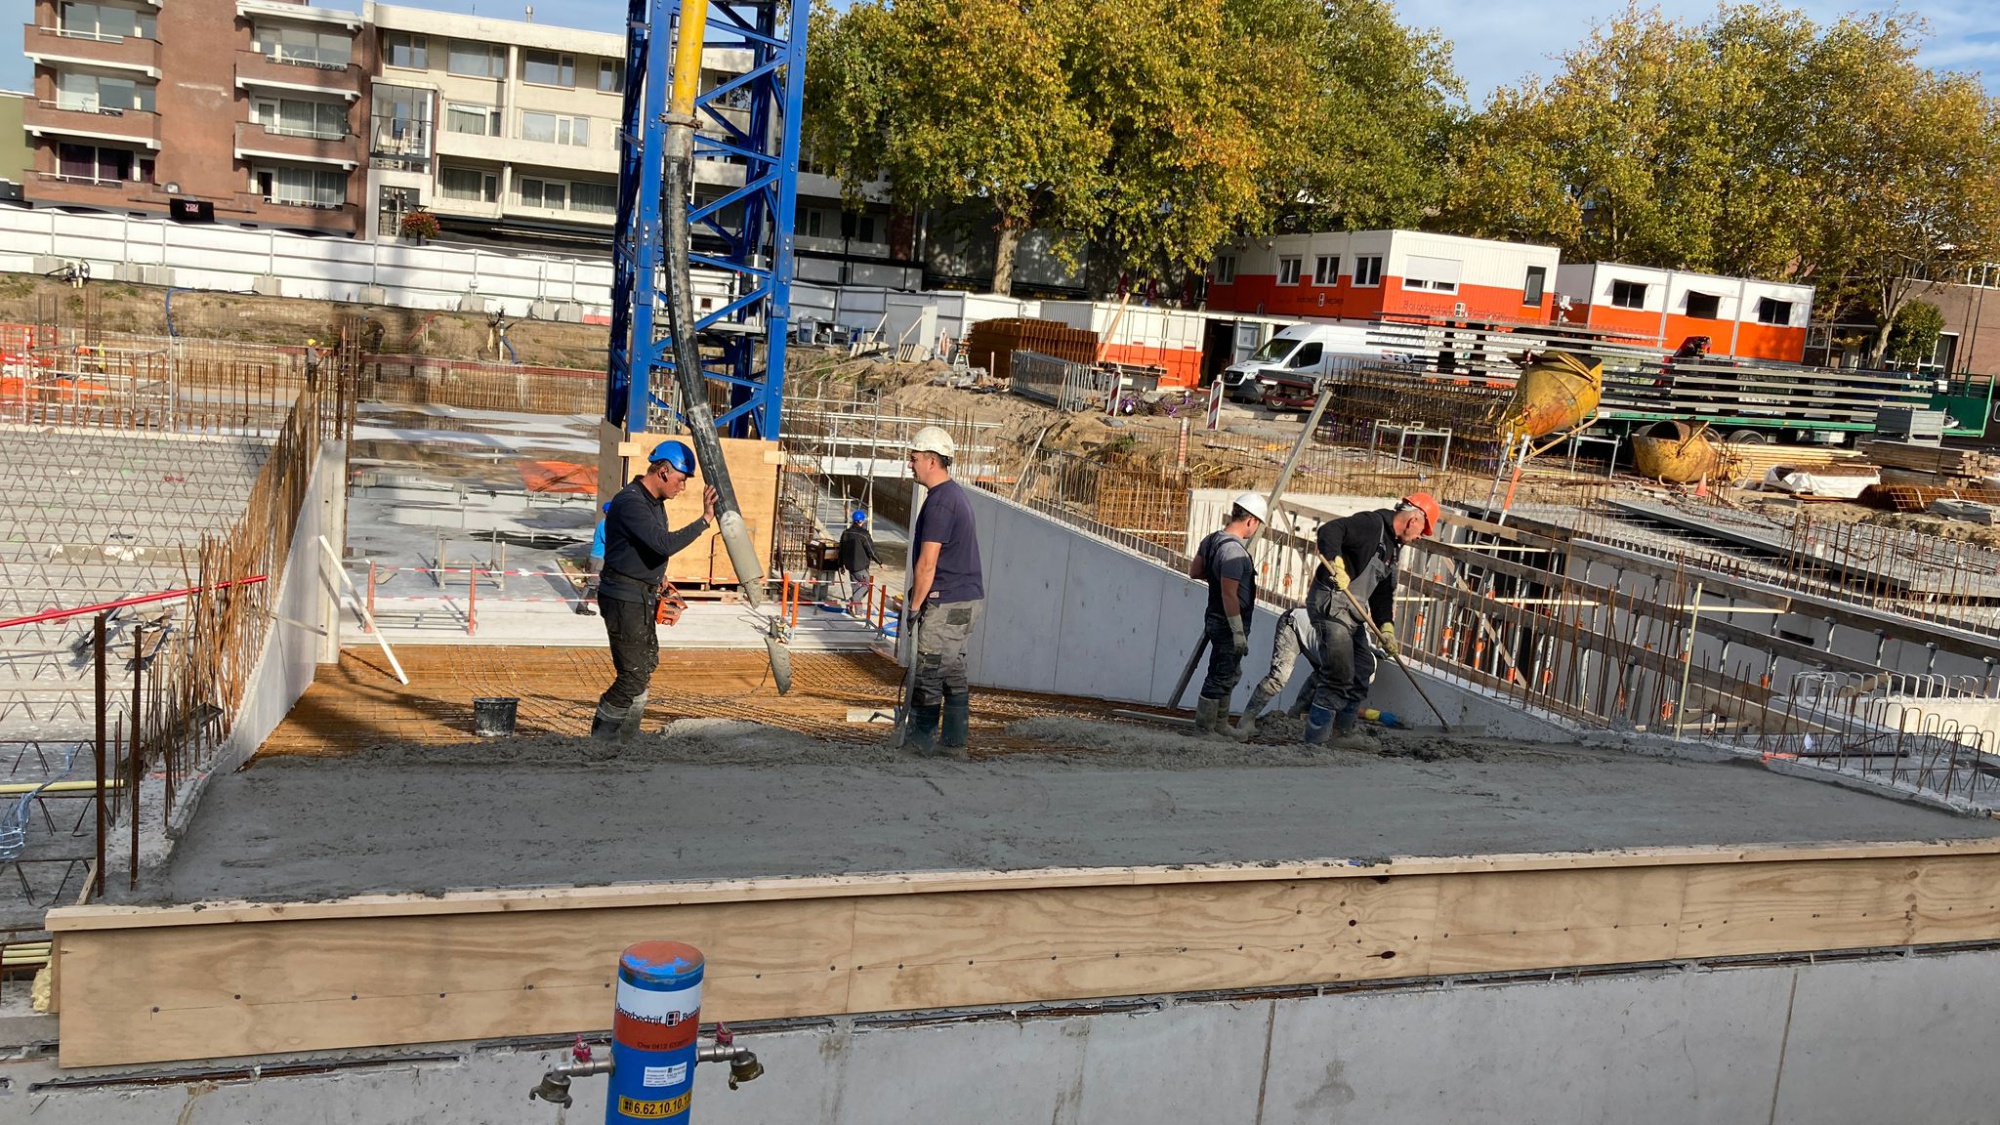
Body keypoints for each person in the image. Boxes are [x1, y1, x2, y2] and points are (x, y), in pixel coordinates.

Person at [590, 439, 718, 741]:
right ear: (663, 470)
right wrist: (704, 520)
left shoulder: (654, 504)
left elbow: (650, 547)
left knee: (646, 663)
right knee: (633, 675)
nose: (682, 487)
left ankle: (626, 735)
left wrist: (658, 577)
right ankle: (602, 740)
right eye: (681, 480)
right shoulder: (631, 501)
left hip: (640, 594)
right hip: (623, 597)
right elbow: (664, 543)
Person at [1302, 493, 1442, 748]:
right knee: (1339, 673)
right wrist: (1337, 565)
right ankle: (1315, 741)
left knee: (1364, 667)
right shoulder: (1371, 525)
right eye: (1424, 528)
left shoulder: (1393, 548)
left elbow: (1382, 594)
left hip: (1351, 613)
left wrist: (1386, 629)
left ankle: (1344, 733)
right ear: (1413, 520)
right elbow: (1331, 530)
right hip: (1331, 604)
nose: (1422, 536)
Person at [904, 425, 983, 757]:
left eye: (915, 458)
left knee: (930, 669)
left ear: (932, 460)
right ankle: (953, 743)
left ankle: (920, 743)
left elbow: (927, 563)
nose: (911, 464)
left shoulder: (940, 504)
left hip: (946, 602)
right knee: (951, 670)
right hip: (964, 600)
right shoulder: (952, 496)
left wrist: (913, 607)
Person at [1187, 492, 1266, 733]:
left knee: (1230, 671)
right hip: (1228, 621)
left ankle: (1220, 725)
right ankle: (1206, 728)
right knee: (1221, 674)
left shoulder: (1212, 540)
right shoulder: (1234, 553)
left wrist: (1217, 577)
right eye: (1258, 524)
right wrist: (1238, 631)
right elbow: (1229, 594)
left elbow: (1195, 571)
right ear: (1251, 520)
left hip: (1213, 616)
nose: (1255, 529)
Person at [1232, 605, 1321, 741]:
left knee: (1322, 676)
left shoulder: (1357, 653)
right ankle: (1247, 720)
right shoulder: (1345, 658)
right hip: (1292, 624)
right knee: (1279, 676)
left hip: (1315, 637)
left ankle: (1294, 716)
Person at [837, 508, 879, 613]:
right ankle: (852, 600)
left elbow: (841, 550)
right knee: (867, 585)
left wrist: (841, 564)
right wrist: (879, 561)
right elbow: (871, 550)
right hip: (861, 567)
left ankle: (858, 612)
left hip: (850, 566)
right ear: (862, 521)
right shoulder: (864, 534)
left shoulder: (846, 533)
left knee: (856, 587)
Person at [575, 500, 611, 616]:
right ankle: (581, 606)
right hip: (598, 559)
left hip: (602, 558)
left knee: (600, 582)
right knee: (592, 583)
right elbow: (609, 541)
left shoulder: (607, 524)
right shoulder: (604, 524)